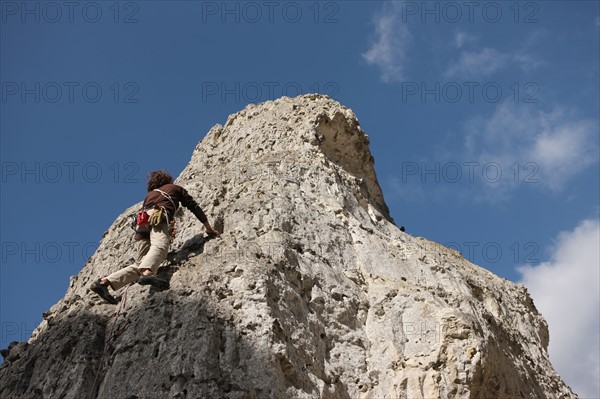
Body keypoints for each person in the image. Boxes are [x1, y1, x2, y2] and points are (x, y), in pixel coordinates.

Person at [90, 170, 220, 304]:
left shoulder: (150, 195)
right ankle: (147, 274)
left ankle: (104, 282)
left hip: (142, 223)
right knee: (160, 246)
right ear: (168, 180)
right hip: (158, 218)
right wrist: (208, 227)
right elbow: (193, 206)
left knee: (141, 263)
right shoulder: (174, 188)